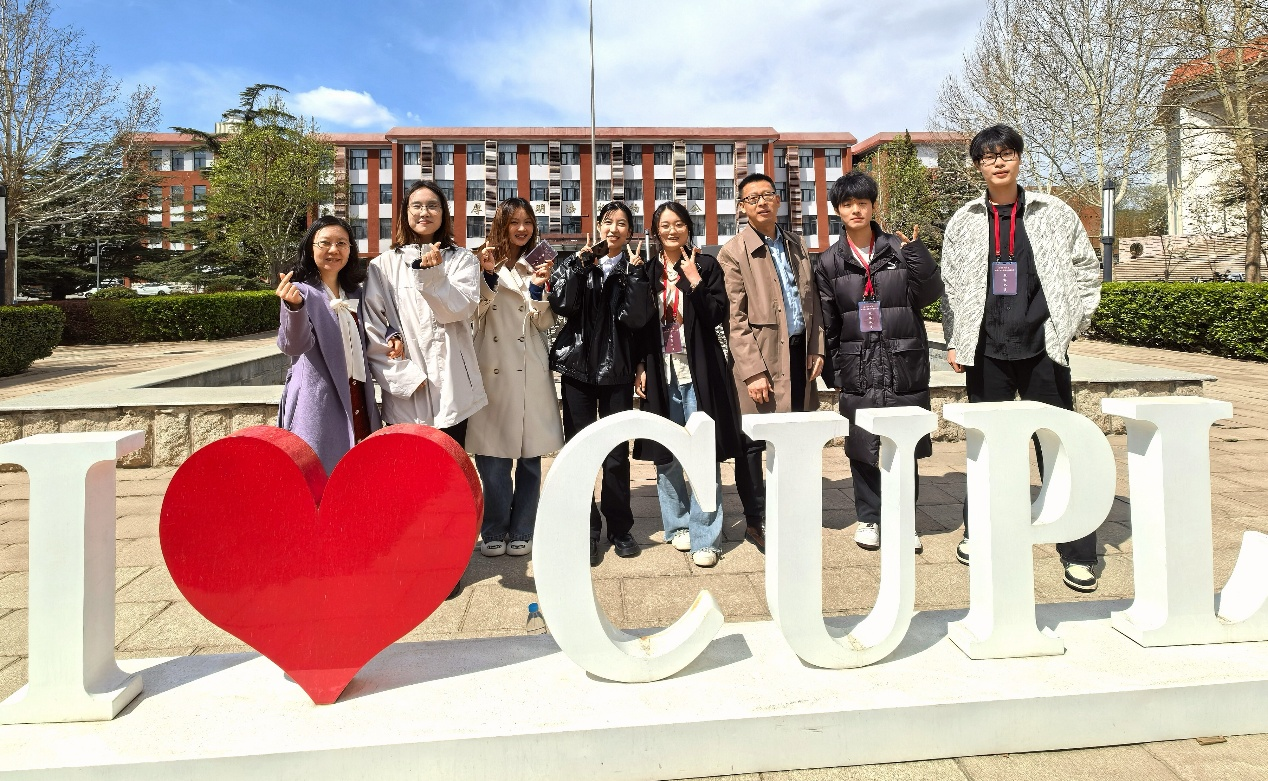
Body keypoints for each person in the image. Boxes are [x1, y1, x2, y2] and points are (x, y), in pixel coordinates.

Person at [941, 124, 1103, 592]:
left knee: (1058, 447)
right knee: (987, 448)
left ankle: (1078, 550)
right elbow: (951, 285)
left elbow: (1085, 268)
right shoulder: (965, 219)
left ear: (1019, 158)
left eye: (1006, 153)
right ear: (977, 165)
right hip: (986, 350)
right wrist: (955, 339)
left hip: (1043, 347)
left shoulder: (1054, 212)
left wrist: (1073, 322)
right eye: (988, 156)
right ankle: (979, 529)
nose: (998, 162)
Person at [815, 172, 943, 554]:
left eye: (863, 203)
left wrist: (918, 253)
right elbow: (828, 322)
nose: (856, 210)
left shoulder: (899, 249)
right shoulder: (829, 262)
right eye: (848, 204)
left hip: (902, 362)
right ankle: (869, 518)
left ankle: (904, 521)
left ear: (873, 206)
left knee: (904, 445)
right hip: (858, 364)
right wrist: (836, 372)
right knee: (862, 446)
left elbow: (930, 294)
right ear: (838, 210)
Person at [717, 173, 826, 553]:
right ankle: (756, 519)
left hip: (798, 354)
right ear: (742, 208)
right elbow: (735, 319)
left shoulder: (797, 244)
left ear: (778, 200)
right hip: (761, 357)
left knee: (794, 435)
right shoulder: (733, 252)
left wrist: (817, 347)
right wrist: (753, 372)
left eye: (767, 195)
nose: (761, 202)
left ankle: (789, 509)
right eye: (752, 198)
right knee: (752, 443)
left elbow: (812, 302)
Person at [632, 202, 744, 569]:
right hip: (661, 371)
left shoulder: (705, 265)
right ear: (655, 230)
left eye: (679, 224)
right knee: (666, 453)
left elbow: (716, 315)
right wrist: (640, 366)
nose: (672, 230)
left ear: (688, 228)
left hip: (698, 371)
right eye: (665, 225)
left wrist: (694, 281)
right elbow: (639, 325)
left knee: (702, 452)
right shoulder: (648, 270)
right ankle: (677, 524)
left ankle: (705, 536)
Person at [549, 201, 653, 565]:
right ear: (597, 226)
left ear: (630, 232)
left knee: (615, 453)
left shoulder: (635, 268)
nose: (614, 228)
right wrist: (579, 267)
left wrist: (636, 278)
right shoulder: (578, 262)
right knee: (579, 451)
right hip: (577, 370)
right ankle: (587, 526)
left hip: (617, 372)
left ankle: (620, 528)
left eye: (622, 224)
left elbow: (636, 320)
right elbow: (562, 305)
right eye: (608, 222)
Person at [467, 198, 564, 558]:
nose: (522, 229)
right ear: (501, 224)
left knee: (529, 457)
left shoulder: (539, 262)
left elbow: (545, 322)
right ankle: (494, 528)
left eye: (527, 222)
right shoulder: (479, 259)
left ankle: (523, 527)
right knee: (492, 458)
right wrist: (487, 276)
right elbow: (471, 313)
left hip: (528, 368)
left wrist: (538, 289)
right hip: (491, 366)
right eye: (514, 222)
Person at [363, 180, 488, 447]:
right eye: (417, 206)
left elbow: (459, 310)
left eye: (433, 206)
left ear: (443, 213)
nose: (424, 212)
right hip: (407, 397)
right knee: (407, 468)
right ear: (405, 213)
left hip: (453, 390)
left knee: (451, 466)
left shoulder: (463, 260)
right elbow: (372, 326)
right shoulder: (382, 265)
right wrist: (403, 377)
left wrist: (432, 276)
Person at [275, 215, 399, 474]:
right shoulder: (301, 292)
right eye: (325, 243)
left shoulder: (356, 293)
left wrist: (391, 335)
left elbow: (373, 325)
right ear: (311, 248)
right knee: (319, 474)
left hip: (357, 394)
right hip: (318, 400)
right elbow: (293, 346)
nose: (334, 250)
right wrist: (294, 308)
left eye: (342, 243)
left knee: (358, 472)